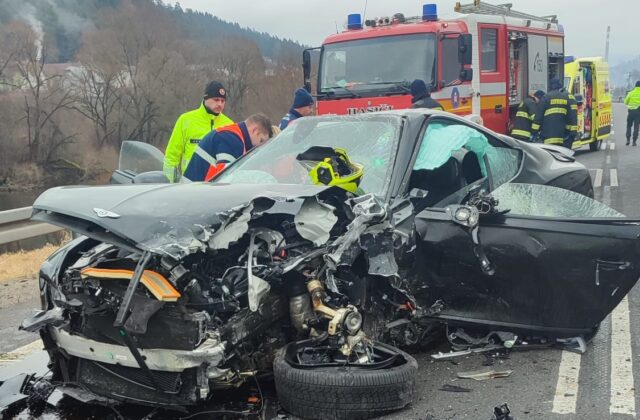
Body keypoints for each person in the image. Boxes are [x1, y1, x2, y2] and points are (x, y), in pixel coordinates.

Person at [163, 81, 234, 182]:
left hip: (219, 188)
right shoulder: (186, 120)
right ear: (205, 98)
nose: (220, 104)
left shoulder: (230, 125)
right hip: (191, 186)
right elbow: (171, 156)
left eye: (223, 101)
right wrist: (170, 184)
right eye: (216, 99)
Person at [183, 113, 273, 182]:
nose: (259, 147)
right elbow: (226, 177)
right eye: (261, 141)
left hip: (192, 191)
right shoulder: (232, 139)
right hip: (195, 195)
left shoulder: (230, 135)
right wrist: (261, 177)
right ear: (254, 130)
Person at [532, 78, 577, 149]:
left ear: (550, 86)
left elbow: (538, 117)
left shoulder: (546, 98)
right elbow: (570, 117)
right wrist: (568, 131)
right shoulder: (565, 98)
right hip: (561, 137)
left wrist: (534, 131)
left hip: (547, 137)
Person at [624, 81, 640, 146]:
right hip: (638, 112)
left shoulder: (630, 93)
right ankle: (634, 142)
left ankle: (628, 140)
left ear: (635, 86)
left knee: (629, 126)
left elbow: (625, 102)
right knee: (636, 127)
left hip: (630, 112)